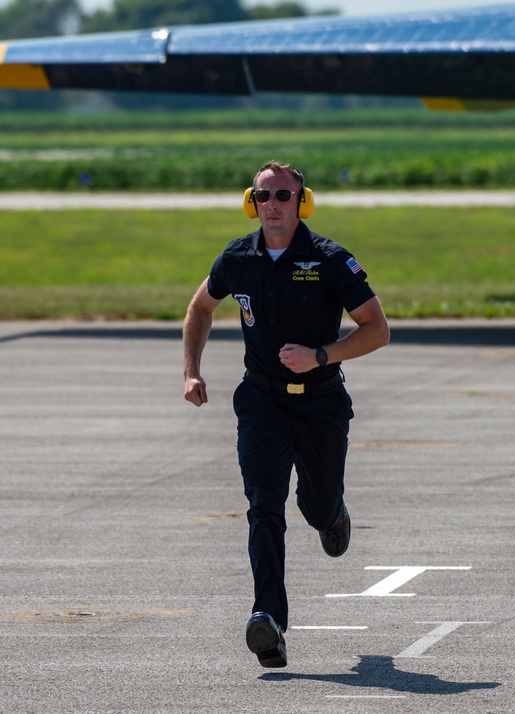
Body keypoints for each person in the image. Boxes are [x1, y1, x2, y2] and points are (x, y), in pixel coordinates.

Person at [182, 160, 389, 668]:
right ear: (252, 202)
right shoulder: (237, 259)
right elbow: (199, 309)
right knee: (264, 506)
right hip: (262, 403)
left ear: (303, 202)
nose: (272, 205)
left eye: (282, 196)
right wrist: (192, 370)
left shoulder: (330, 260)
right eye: (263, 196)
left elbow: (376, 329)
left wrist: (321, 356)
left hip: (320, 403)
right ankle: (268, 620)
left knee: (315, 507)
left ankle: (331, 514)